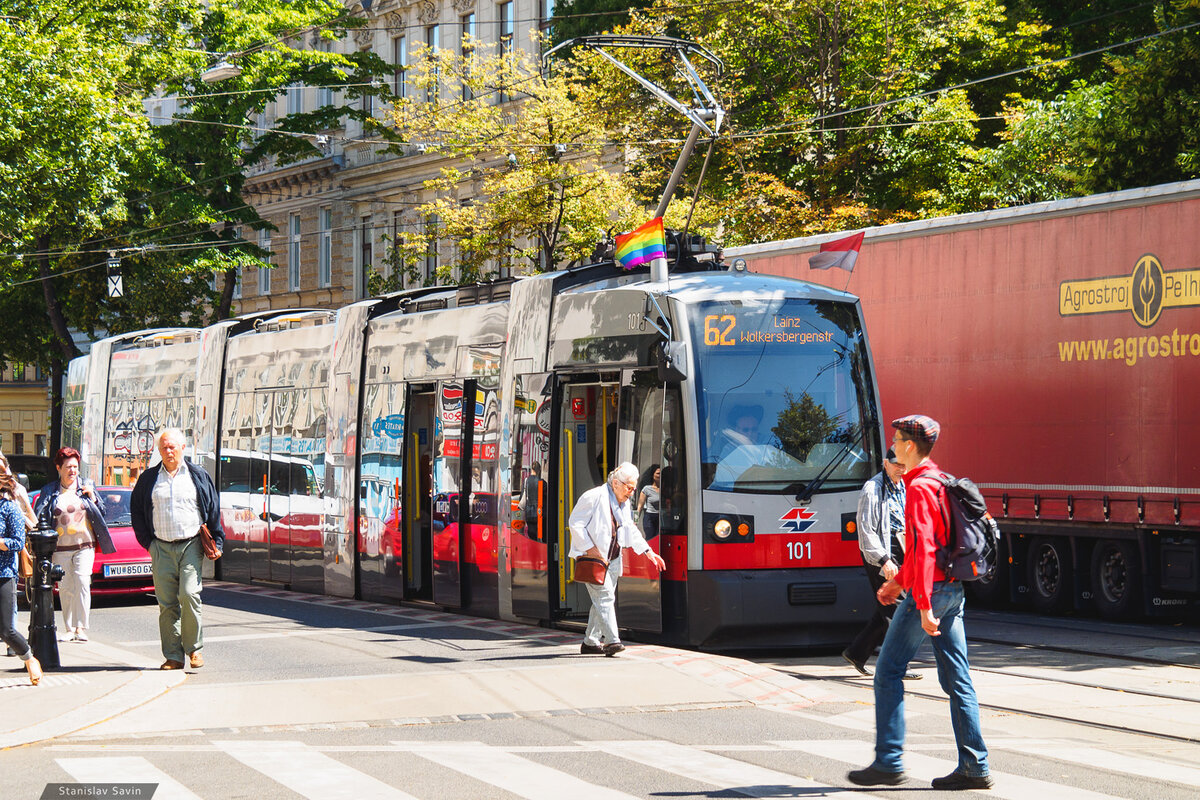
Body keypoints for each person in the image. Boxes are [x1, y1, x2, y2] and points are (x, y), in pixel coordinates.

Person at [848, 415, 992, 791]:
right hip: (953, 592)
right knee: (957, 679)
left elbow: (925, 549)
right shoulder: (939, 481)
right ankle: (975, 766)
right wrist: (896, 583)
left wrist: (922, 604)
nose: (892, 446)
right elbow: (925, 551)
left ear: (910, 447)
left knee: (888, 671)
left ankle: (889, 761)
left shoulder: (918, 489)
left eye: (896, 440)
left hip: (932, 594)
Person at [131, 428, 224, 671]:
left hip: (191, 545)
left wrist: (218, 540)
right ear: (159, 451)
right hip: (160, 547)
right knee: (167, 603)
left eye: (173, 446)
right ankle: (173, 656)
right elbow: (137, 512)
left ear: (183, 448)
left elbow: (213, 509)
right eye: (164, 447)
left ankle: (194, 649)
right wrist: (149, 544)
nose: (169, 451)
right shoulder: (149, 479)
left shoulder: (197, 475)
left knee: (189, 594)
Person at [568, 462, 666, 656]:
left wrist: (648, 552)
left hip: (612, 559)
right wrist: (590, 548)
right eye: (629, 488)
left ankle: (590, 641)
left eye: (633, 488)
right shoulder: (594, 496)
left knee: (602, 601)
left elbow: (629, 528)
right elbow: (575, 523)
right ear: (615, 483)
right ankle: (613, 641)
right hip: (593, 559)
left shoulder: (623, 503)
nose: (631, 492)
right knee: (605, 598)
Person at [842, 448, 920, 681]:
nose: (901, 469)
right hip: (882, 553)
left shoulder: (903, 485)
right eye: (896, 464)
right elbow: (866, 531)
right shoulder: (872, 488)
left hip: (902, 548)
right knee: (897, 610)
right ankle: (897, 664)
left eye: (904, 465)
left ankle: (856, 653)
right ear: (885, 463)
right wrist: (884, 560)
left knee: (889, 606)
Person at [33, 447, 116, 643]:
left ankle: (81, 627)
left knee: (82, 582)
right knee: (66, 587)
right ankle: (69, 628)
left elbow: (102, 512)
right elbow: (39, 514)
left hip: (85, 545)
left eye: (75, 467)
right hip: (60, 548)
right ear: (59, 468)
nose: (73, 471)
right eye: (68, 467)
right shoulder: (50, 490)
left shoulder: (86, 486)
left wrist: (93, 497)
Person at [0, 467, 42, 684]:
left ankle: (29, 658)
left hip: (3, 574)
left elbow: (17, 542)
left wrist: (0, 543)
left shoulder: (9, 509)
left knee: (6, 630)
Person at [635, 464, 661, 539]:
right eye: (658, 473)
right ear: (653, 475)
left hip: (660, 518)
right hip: (649, 518)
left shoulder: (664, 488)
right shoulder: (646, 489)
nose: (659, 476)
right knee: (650, 539)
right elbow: (639, 506)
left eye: (661, 474)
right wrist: (634, 521)